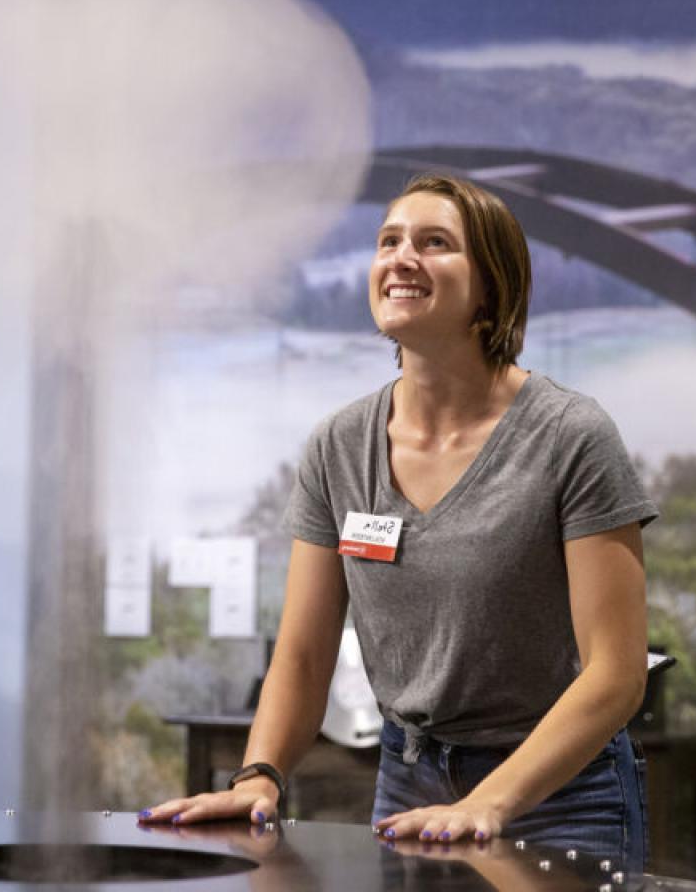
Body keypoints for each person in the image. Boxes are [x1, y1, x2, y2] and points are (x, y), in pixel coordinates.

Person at [144, 174, 657, 872]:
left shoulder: (570, 435)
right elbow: (301, 654)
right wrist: (258, 774)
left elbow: (617, 675)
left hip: (561, 790)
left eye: (434, 243)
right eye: (389, 241)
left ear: (491, 286)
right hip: (410, 781)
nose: (401, 257)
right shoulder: (340, 445)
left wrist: (492, 801)